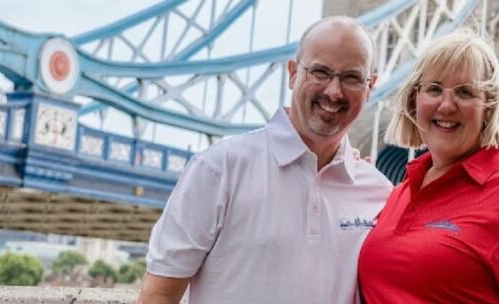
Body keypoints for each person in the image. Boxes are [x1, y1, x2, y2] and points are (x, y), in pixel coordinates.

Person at [138, 16, 393, 304]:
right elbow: (159, 295)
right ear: (293, 73)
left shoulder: (380, 193)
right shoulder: (218, 169)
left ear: (370, 86)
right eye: (320, 72)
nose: (334, 92)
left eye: (351, 78)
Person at [358, 29, 499, 303]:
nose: (446, 105)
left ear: (488, 107)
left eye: (465, 92)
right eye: (433, 89)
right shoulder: (399, 194)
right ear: (414, 100)